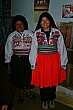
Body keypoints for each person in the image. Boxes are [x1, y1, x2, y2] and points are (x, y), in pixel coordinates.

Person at [30, 12, 68, 109]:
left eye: (46, 20)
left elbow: (62, 48)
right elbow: (34, 49)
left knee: (52, 82)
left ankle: (51, 99)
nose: (45, 22)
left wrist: (63, 63)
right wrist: (33, 64)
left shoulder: (57, 32)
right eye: (42, 20)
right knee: (43, 82)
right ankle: (44, 100)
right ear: (40, 22)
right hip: (42, 61)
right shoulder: (37, 33)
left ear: (50, 21)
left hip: (54, 61)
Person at [5, 15, 35, 103]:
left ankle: (29, 93)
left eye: (21, 24)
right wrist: (8, 64)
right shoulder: (11, 36)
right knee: (19, 77)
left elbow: (34, 48)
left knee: (28, 77)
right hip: (16, 60)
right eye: (17, 24)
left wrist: (34, 61)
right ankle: (21, 95)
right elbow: (8, 50)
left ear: (24, 25)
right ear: (14, 26)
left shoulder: (30, 34)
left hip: (28, 59)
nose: (19, 26)